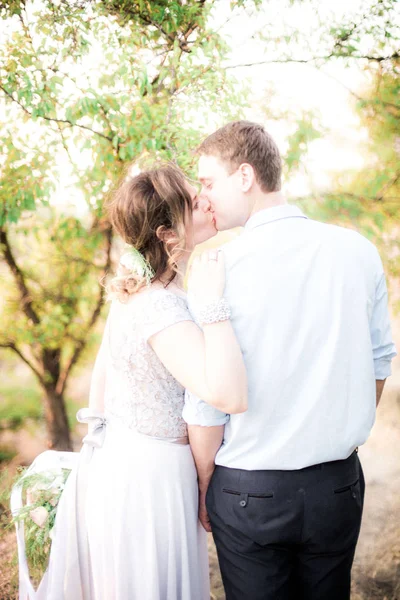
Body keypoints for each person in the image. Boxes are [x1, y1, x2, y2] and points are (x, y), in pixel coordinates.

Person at [184, 120, 398, 600]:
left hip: (247, 492)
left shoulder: (218, 270)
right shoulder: (358, 252)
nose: (205, 197)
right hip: (337, 485)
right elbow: (380, 362)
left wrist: (203, 484)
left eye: (208, 182)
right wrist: (333, 422)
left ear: (245, 176)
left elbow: (206, 402)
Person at [32, 164, 247, 600]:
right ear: (169, 235)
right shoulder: (161, 309)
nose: (206, 199)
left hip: (128, 465)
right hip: (151, 482)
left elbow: (101, 384)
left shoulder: (143, 295)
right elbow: (225, 394)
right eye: (192, 200)